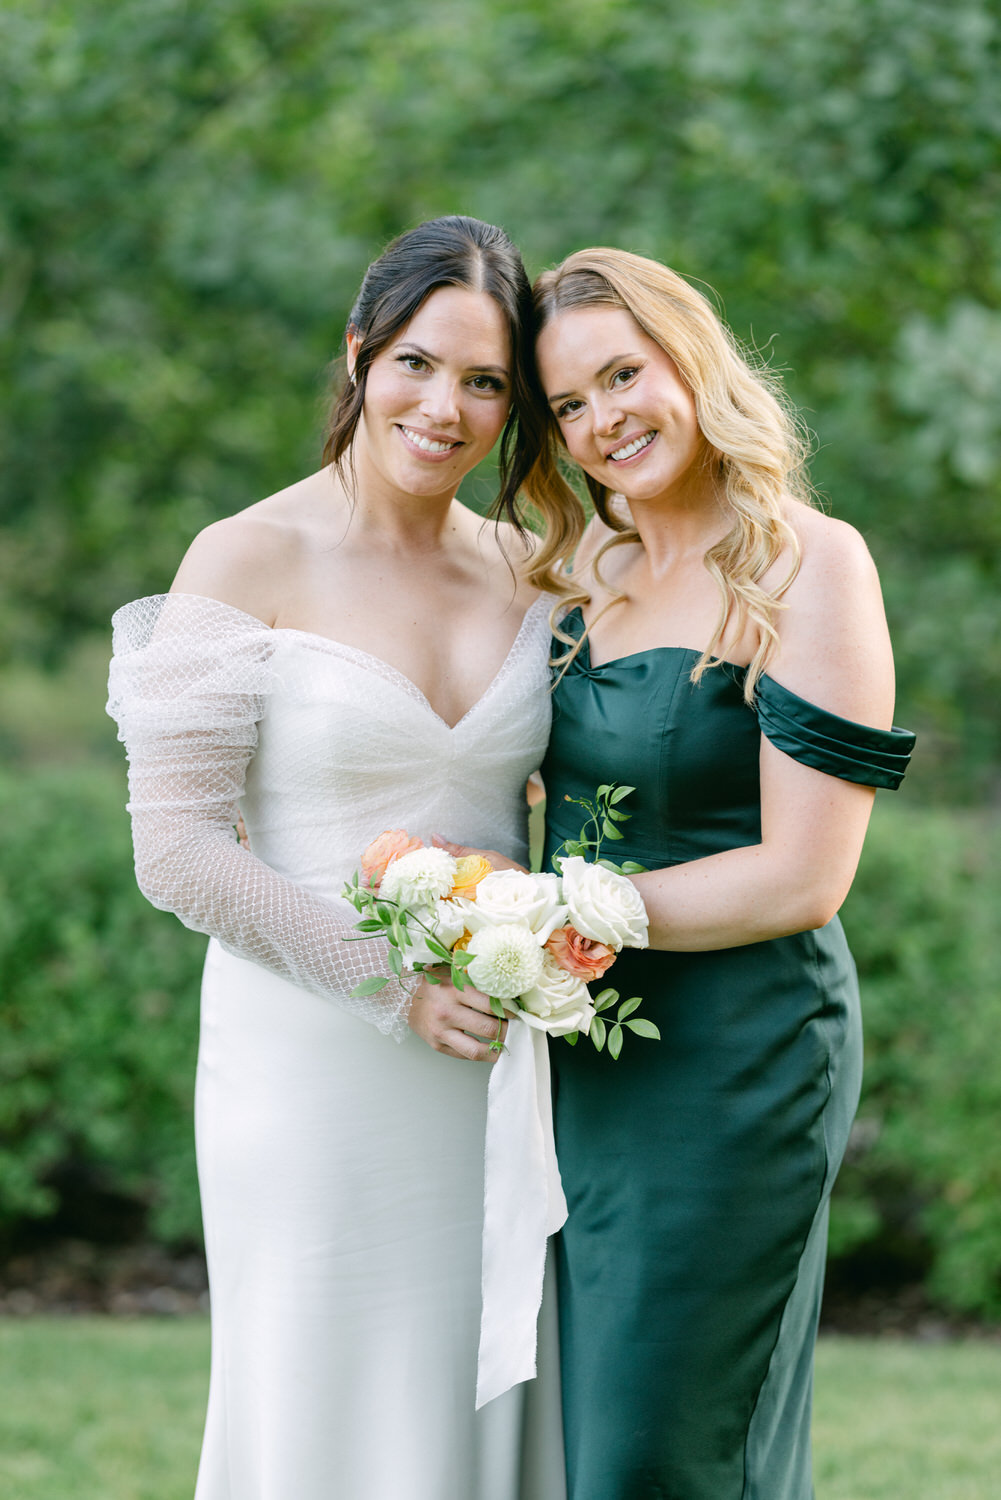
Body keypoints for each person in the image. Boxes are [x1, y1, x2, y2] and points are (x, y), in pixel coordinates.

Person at [107, 217, 568, 1500]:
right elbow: (179, 851)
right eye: (419, 363)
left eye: (486, 383)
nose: (447, 407)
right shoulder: (245, 555)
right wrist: (390, 983)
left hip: (493, 1056)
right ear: (360, 352)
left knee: (488, 1381)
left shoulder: (530, 571)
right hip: (308, 1052)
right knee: (321, 1390)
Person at [517, 248, 916, 1499]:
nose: (601, 422)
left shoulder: (808, 563)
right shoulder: (574, 581)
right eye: (568, 407)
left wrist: (561, 917)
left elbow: (804, 875)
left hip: (741, 1061)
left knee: (666, 1449)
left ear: (689, 359)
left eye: (620, 374)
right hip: (586, 1053)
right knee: (594, 1437)